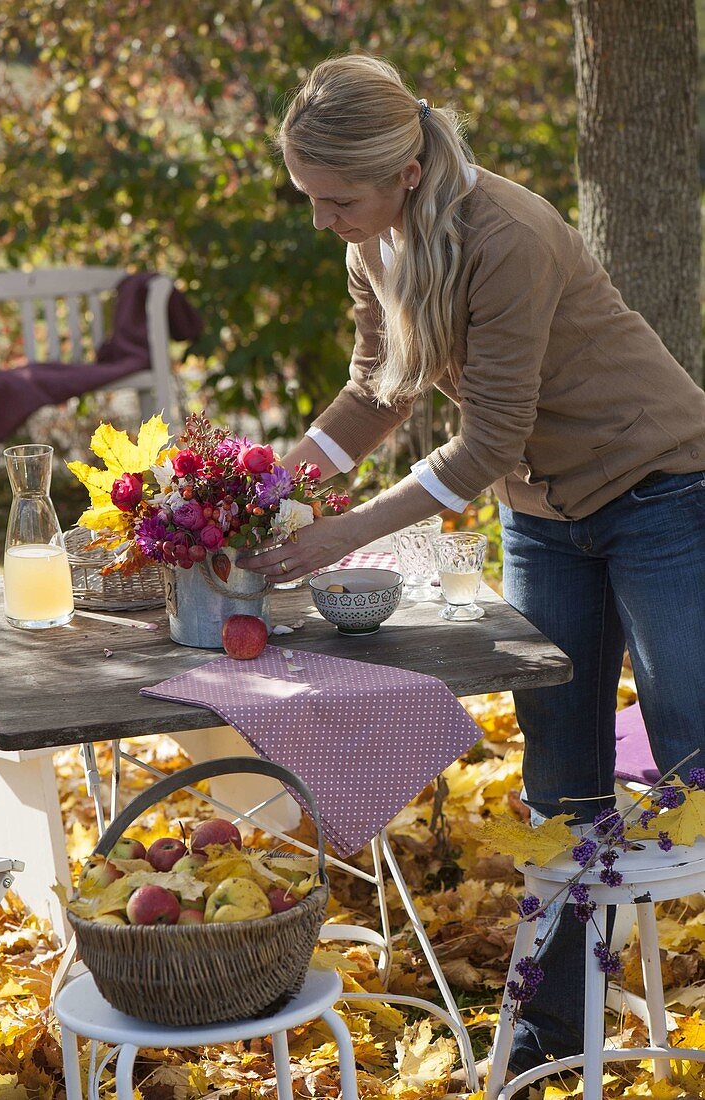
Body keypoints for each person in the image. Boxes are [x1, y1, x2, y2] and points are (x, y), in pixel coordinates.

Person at [238, 53, 705, 1074]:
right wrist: (267, 491)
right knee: (561, 790)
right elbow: (376, 393)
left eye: (335, 198)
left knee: (696, 756)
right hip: (546, 517)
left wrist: (333, 533)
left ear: (403, 170)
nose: (323, 219)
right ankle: (550, 1041)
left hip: (664, 491)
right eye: (308, 197)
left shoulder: (507, 234)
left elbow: (487, 441)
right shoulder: (375, 241)